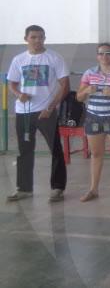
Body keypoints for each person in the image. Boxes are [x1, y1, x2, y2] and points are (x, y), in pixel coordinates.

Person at [6, 25, 68, 202]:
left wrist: (50, 108)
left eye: (41, 37)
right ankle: (24, 189)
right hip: (24, 113)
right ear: (26, 38)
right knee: (25, 150)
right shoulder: (19, 60)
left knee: (55, 149)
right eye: (33, 37)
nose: (37, 40)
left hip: (46, 113)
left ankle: (57, 188)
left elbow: (64, 85)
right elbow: (13, 83)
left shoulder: (54, 58)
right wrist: (19, 94)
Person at [76, 43, 110, 202]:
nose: (104, 57)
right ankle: (93, 190)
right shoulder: (89, 73)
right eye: (101, 54)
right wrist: (87, 91)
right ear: (97, 56)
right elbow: (79, 97)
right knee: (96, 154)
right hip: (94, 117)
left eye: (108, 53)